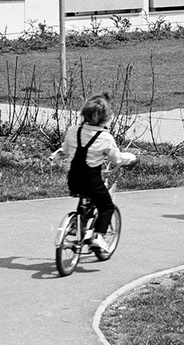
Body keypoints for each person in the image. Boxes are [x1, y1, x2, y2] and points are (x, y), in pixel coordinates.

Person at [50, 94, 136, 253]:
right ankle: (98, 236)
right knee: (106, 206)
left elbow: (66, 150)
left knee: (85, 197)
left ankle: (77, 225)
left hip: (74, 178)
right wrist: (129, 158)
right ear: (106, 118)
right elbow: (116, 159)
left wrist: (56, 155)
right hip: (92, 180)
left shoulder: (73, 131)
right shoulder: (105, 138)